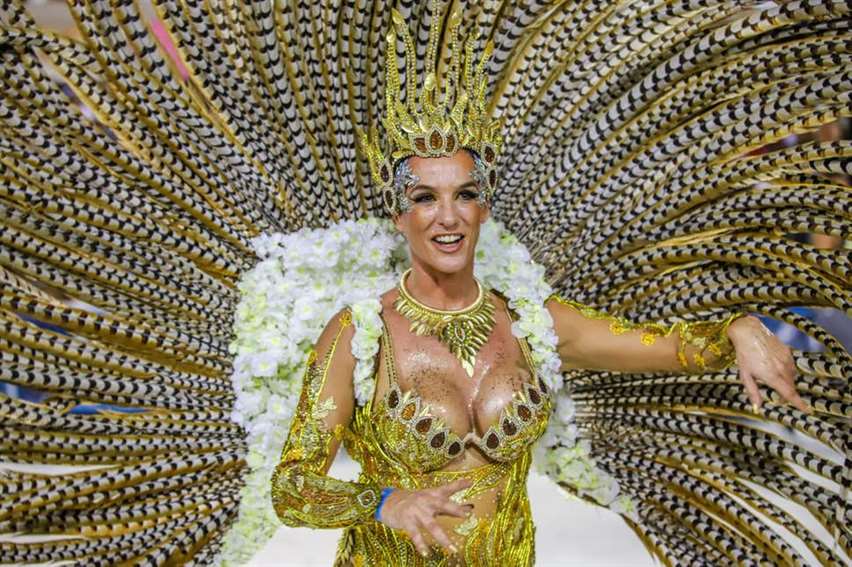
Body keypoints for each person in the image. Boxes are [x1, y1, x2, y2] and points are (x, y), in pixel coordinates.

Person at [270, 143, 808, 564]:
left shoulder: (534, 323)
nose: (447, 217)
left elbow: (664, 346)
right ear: (398, 214)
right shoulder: (359, 334)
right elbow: (292, 489)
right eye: (425, 198)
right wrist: (385, 502)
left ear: (484, 207)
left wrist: (736, 329)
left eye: (464, 194)